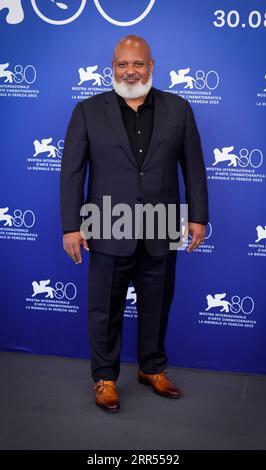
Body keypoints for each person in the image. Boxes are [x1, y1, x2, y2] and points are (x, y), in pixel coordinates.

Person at [60, 35, 209, 413]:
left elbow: (193, 167)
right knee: (104, 308)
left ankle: (152, 368)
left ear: (151, 66)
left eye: (138, 64)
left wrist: (198, 217)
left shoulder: (179, 109)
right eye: (122, 64)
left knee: (157, 304)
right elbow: (72, 174)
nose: (130, 71)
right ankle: (105, 378)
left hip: (161, 226)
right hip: (107, 226)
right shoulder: (87, 111)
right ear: (113, 67)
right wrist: (71, 226)